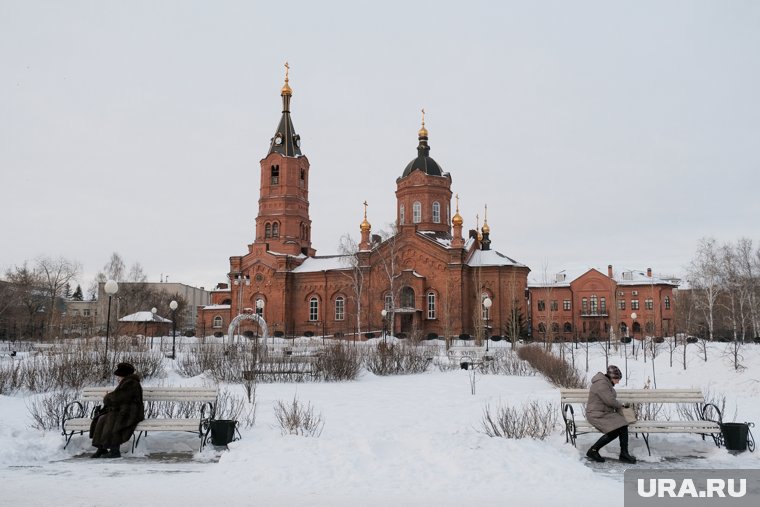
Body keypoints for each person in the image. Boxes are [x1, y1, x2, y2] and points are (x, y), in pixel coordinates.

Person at [90, 362, 144, 458]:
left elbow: (117, 397)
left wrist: (107, 397)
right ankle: (102, 448)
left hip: (131, 413)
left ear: (123, 375)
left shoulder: (131, 383)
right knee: (102, 418)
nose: (117, 378)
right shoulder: (126, 382)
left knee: (113, 420)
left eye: (118, 376)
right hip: (124, 411)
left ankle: (115, 450)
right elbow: (119, 398)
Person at [585, 364, 636, 464]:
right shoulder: (602, 384)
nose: (618, 381)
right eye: (618, 379)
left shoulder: (605, 383)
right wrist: (621, 405)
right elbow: (610, 401)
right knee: (617, 429)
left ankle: (624, 454)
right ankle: (593, 450)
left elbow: (610, 400)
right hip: (596, 414)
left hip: (603, 413)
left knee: (622, 425)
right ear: (613, 377)